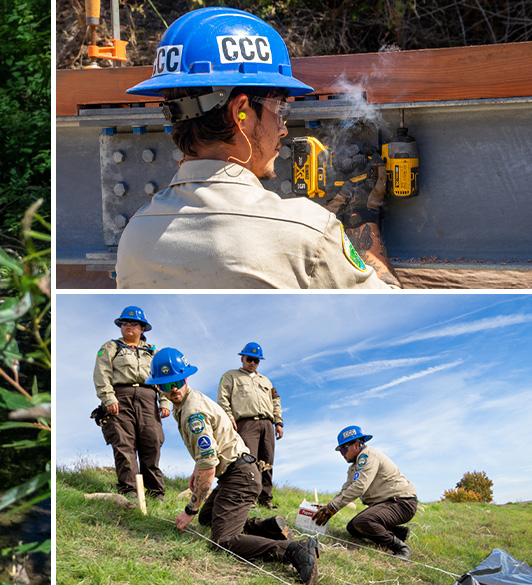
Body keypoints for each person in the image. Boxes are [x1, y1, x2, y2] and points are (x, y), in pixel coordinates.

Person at [115, 7, 400, 289]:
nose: (283, 128)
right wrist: (363, 219)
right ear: (241, 112)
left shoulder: (134, 235)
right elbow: (389, 309)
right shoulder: (308, 234)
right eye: (279, 108)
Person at [146, 347, 319, 585]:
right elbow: (212, 449)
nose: (172, 389)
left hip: (240, 476)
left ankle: (293, 550)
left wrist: (189, 511)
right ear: (158, 387)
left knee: (223, 540)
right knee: (208, 518)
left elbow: (208, 467)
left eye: (177, 381)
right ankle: (266, 527)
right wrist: (197, 471)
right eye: (165, 385)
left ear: (186, 378)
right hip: (236, 473)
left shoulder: (193, 412)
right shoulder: (188, 402)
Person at [92, 306, 171, 499]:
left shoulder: (154, 352)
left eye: (133, 323)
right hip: (120, 398)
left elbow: (164, 378)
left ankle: (156, 493)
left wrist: (165, 402)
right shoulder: (111, 347)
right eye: (125, 322)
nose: (129, 325)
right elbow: (102, 374)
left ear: (142, 328)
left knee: (152, 443)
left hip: (148, 399)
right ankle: (130, 491)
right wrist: (109, 398)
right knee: (124, 445)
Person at [314, 426, 418, 560]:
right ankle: (396, 533)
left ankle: (401, 548)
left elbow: (359, 486)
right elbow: (346, 489)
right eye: (340, 451)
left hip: (402, 502)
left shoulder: (367, 456)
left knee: (363, 522)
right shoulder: (354, 467)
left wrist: (333, 508)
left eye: (344, 449)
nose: (342, 454)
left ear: (357, 445)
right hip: (388, 503)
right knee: (352, 528)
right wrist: (328, 506)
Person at [218, 342, 283, 509]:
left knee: (267, 461)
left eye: (256, 360)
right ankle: (249, 498)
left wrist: (279, 422)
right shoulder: (230, 376)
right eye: (249, 359)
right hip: (246, 423)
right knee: (249, 461)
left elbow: (276, 401)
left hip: (267, 424)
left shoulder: (266, 381)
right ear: (242, 358)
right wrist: (229, 417)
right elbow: (223, 398)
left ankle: (265, 498)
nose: (252, 363)